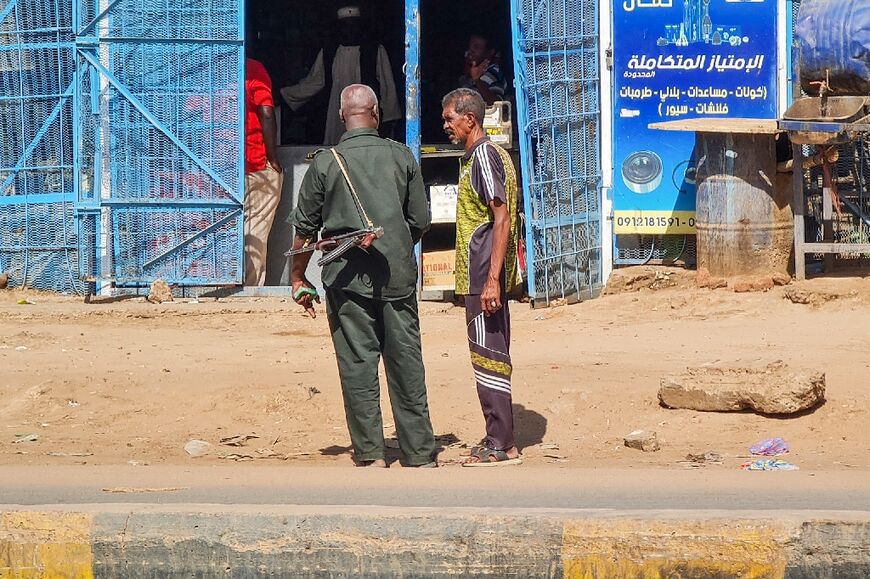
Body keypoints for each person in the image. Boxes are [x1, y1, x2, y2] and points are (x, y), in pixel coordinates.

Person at [289, 84, 436, 468]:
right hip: (397, 276)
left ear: (342, 117)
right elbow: (420, 220)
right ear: (376, 112)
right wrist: (397, 247)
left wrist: (297, 279)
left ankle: (370, 455)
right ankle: (419, 453)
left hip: (345, 278)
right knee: (406, 362)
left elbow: (304, 229)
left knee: (357, 364)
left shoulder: (325, 162)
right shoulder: (401, 156)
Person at [441, 88, 521, 466]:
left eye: (449, 119)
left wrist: (492, 280)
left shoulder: (485, 158)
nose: (446, 127)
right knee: (489, 352)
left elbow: (501, 219)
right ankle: (499, 436)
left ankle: (501, 442)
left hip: (483, 274)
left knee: (488, 354)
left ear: (469, 119)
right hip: (481, 274)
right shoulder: (485, 156)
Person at [280, 5, 401, 145]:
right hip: (334, 115)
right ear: (339, 28)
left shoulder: (374, 50)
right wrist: (286, 94)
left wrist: (390, 117)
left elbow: (388, 87)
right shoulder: (329, 51)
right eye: (345, 25)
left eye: (353, 25)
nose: (350, 30)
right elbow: (314, 82)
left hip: (365, 114)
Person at [244, 57, 283, 286]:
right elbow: (266, 113)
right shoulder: (253, 68)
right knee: (255, 226)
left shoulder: (208, 71)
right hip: (255, 163)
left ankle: (217, 283)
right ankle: (249, 287)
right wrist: (273, 159)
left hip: (217, 166)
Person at [458, 33, 508, 106]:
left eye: (476, 47)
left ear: (490, 52)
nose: (470, 51)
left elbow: (496, 104)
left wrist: (477, 80)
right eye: (469, 47)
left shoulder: (494, 72)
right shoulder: (472, 72)